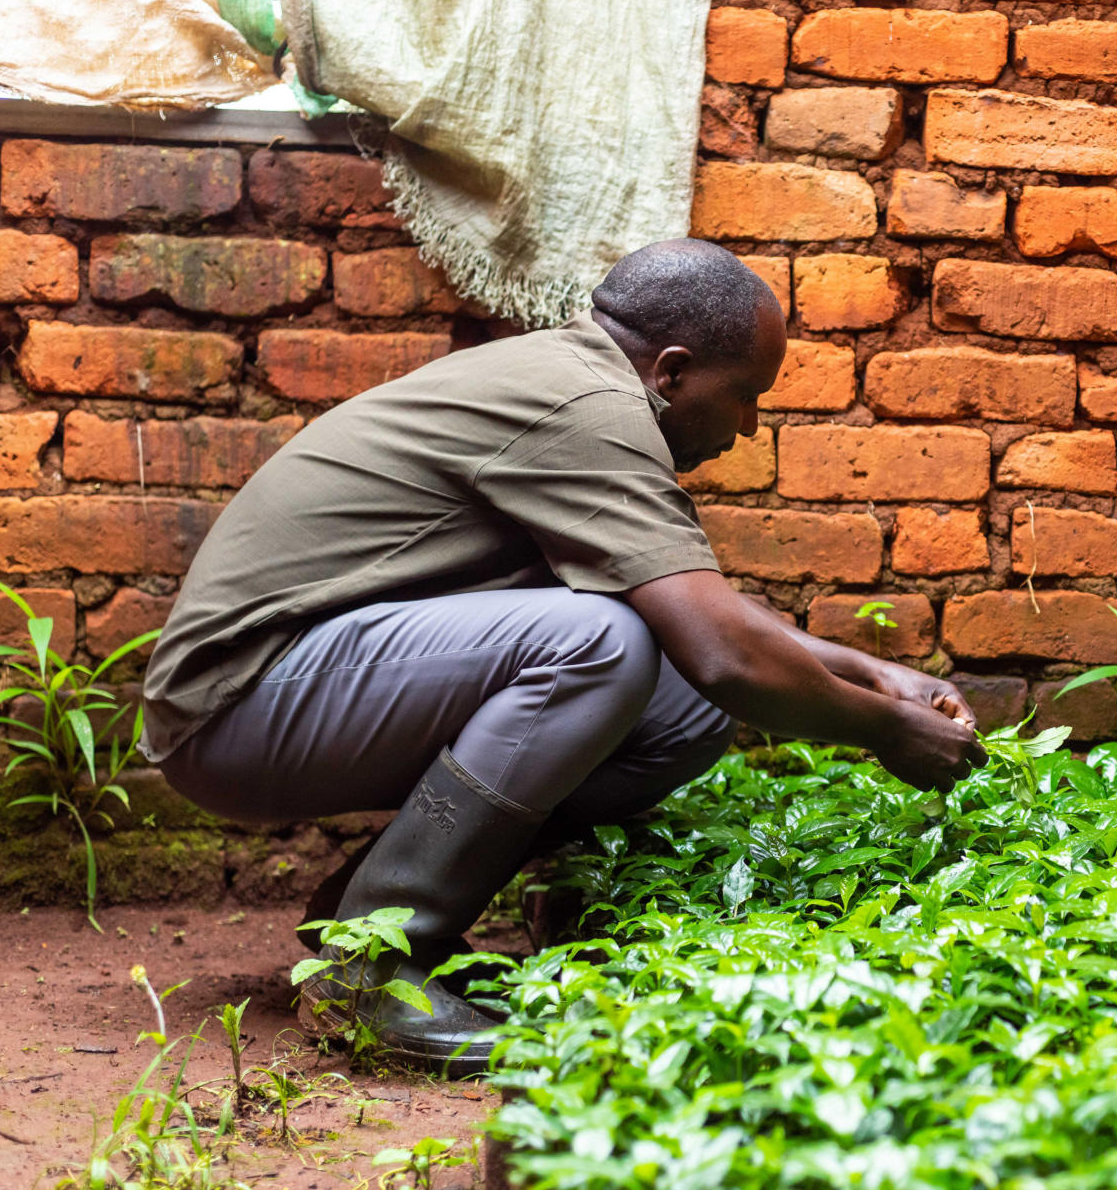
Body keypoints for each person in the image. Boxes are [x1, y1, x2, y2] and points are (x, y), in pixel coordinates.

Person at [138, 239, 986, 1077]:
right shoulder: (588, 409)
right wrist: (884, 728)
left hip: (303, 686)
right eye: (746, 397)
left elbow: (697, 618)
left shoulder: (572, 380)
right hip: (234, 705)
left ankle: (363, 919)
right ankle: (367, 974)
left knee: (682, 703)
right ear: (674, 370)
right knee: (600, 645)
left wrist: (873, 671)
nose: (751, 426)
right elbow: (725, 651)